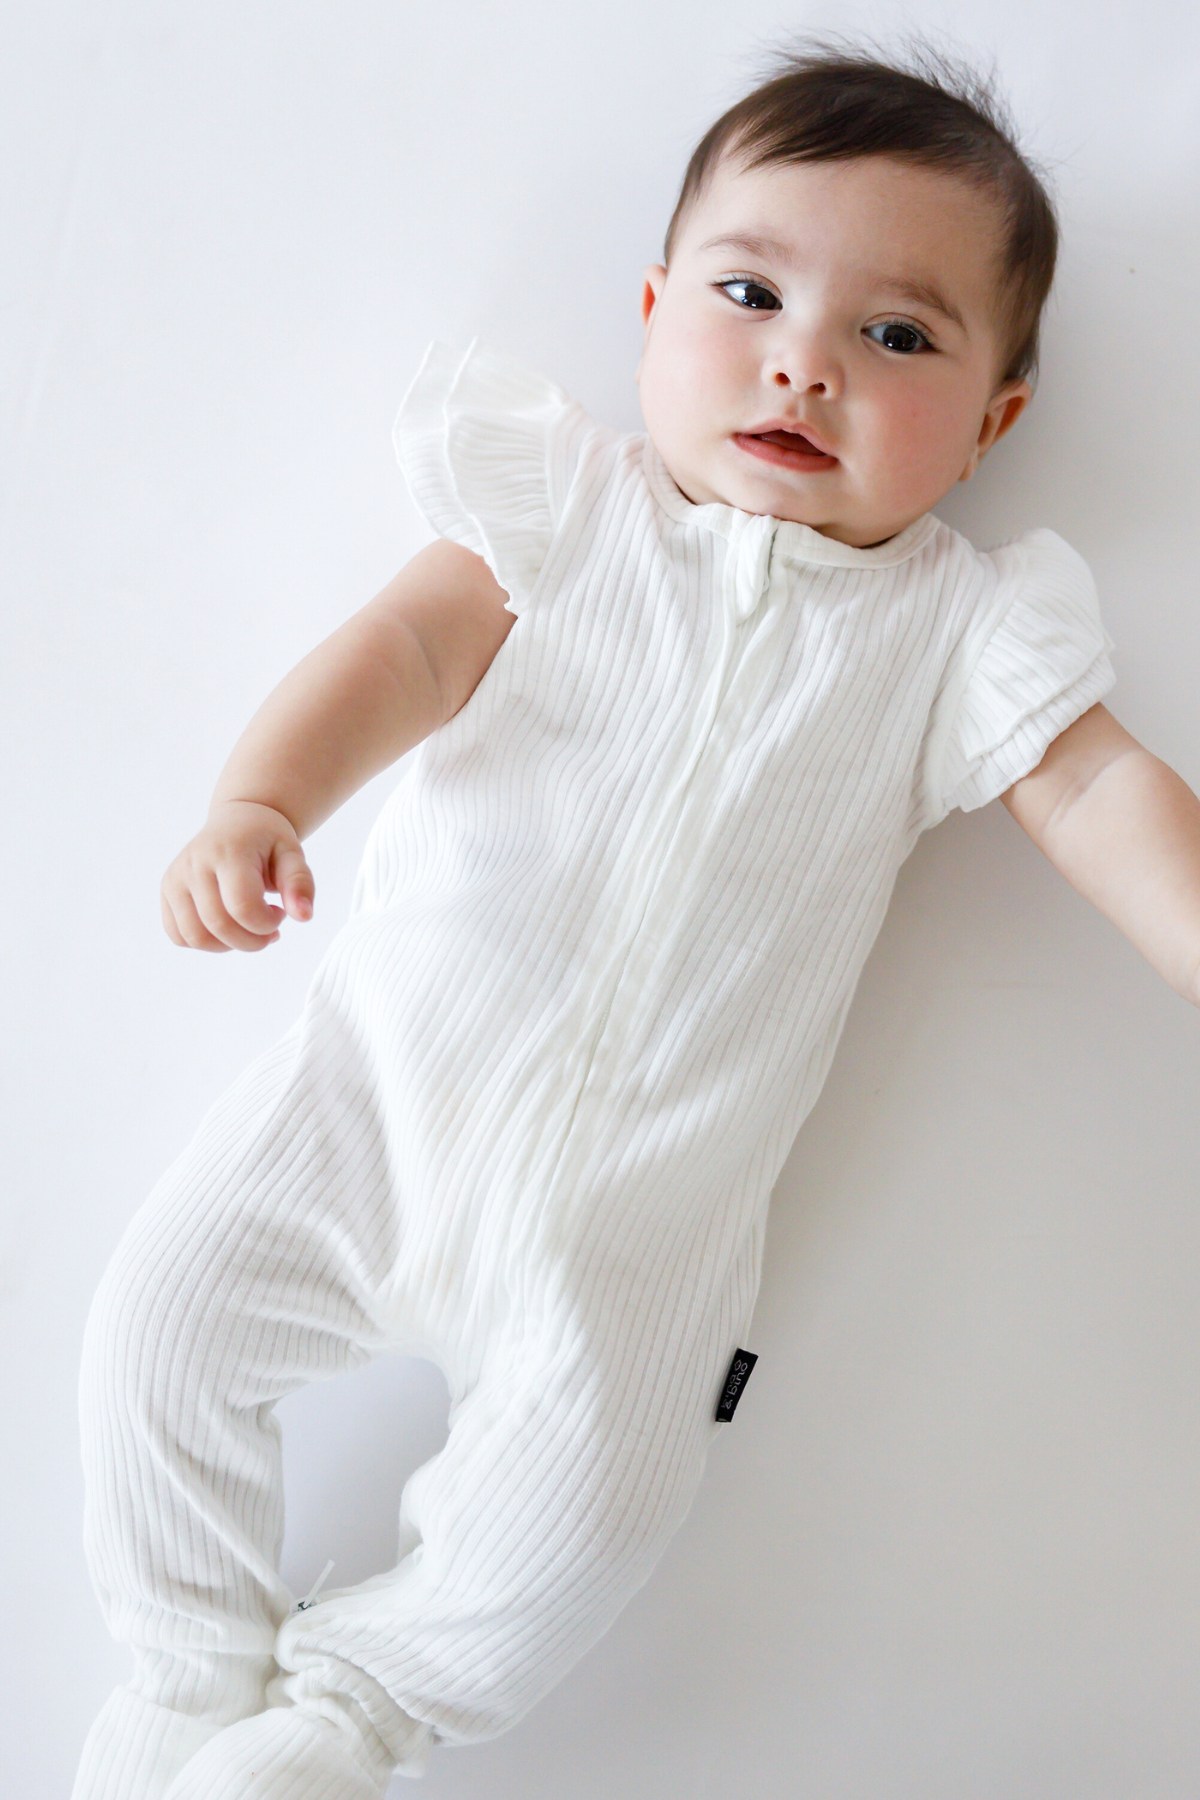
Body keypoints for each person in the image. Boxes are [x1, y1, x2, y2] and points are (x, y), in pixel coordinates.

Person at [72, 42, 1200, 1800]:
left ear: (994, 422)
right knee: (158, 1331)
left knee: (586, 1522)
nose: (805, 362)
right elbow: (403, 651)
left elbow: (1101, 792)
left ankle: (345, 1724)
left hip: (634, 1237)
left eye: (897, 336)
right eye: (751, 296)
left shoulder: (956, 631)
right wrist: (260, 800)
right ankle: (186, 1672)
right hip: (373, 1113)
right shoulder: (566, 509)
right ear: (656, 310)